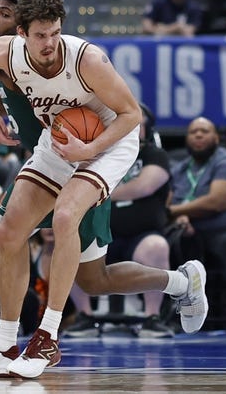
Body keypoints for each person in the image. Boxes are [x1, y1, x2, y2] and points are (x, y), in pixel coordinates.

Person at [0, 0, 208, 379]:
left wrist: (89, 151)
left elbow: (131, 115)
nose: (49, 43)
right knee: (6, 235)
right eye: (40, 35)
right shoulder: (9, 55)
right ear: (22, 34)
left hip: (107, 143)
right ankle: (2, 343)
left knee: (68, 222)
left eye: (55, 33)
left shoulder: (87, 59)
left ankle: (47, 338)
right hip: (59, 142)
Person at [66, 105, 174, 338]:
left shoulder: (154, 154)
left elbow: (145, 185)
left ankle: (151, 318)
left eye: (138, 123)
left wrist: (94, 190)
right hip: (100, 233)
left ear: (147, 128)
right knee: (67, 245)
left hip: (141, 235)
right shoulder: (97, 155)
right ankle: (84, 316)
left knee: (156, 247)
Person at [169, 117, 226, 336]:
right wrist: (176, 219)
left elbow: (216, 202)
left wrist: (173, 213)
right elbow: (165, 202)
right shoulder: (179, 169)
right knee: (169, 240)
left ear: (216, 138)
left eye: (204, 130)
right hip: (193, 231)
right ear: (187, 139)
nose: (198, 135)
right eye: (193, 132)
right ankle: (174, 311)